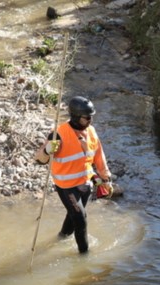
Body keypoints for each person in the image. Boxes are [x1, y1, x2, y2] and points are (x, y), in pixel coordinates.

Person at [35, 96, 112, 254]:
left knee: (73, 217)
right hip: (66, 186)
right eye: (87, 117)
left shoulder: (91, 131)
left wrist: (105, 178)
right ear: (76, 117)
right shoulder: (59, 134)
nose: (90, 120)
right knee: (81, 220)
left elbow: (99, 155)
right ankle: (84, 256)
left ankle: (61, 237)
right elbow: (40, 159)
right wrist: (47, 151)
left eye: (91, 117)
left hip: (85, 182)